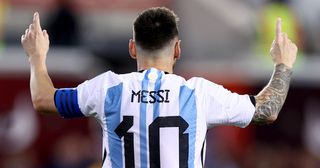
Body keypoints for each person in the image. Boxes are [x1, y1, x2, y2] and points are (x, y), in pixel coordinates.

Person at [21, 7, 297, 168]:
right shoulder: (198, 94)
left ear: (132, 48)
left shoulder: (108, 88)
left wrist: (37, 56)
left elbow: (44, 99)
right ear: (177, 49)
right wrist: (283, 64)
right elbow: (266, 110)